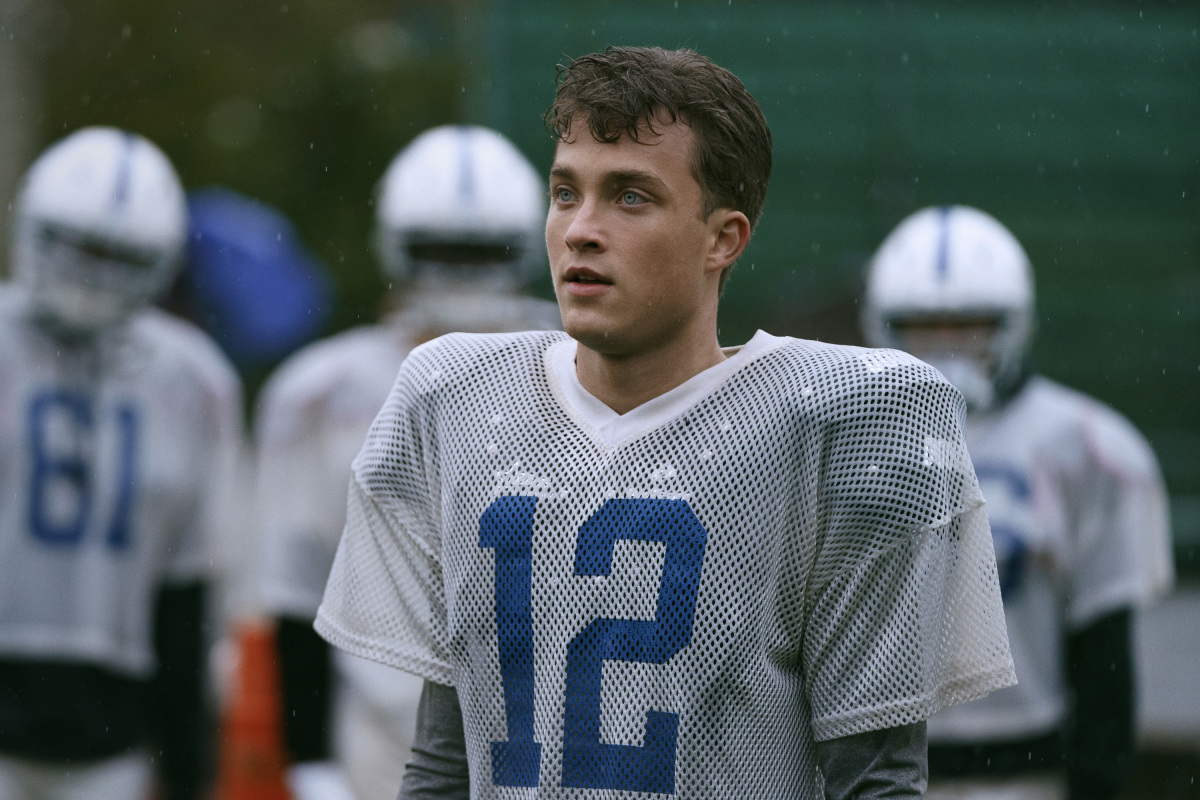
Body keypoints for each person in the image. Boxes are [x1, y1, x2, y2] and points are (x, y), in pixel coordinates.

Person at [315, 47, 1016, 799]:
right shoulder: (458, 395)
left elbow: (874, 780)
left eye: (630, 197)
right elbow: (446, 760)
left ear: (724, 238)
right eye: (565, 193)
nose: (581, 230)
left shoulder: (840, 418)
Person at [256, 124, 560, 800]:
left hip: (555, 728)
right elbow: (295, 589)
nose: (462, 272)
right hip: (381, 735)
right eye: (441, 250)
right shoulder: (322, 390)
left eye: (482, 251)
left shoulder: (583, 361)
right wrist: (311, 760)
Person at [861, 205, 1174, 800]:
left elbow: (1104, 658)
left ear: (1013, 324)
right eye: (924, 326)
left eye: (970, 326)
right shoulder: (840, 435)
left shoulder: (1091, 448)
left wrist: (1096, 782)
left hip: (1027, 772)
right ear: (885, 325)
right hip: (869, 772)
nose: (947, 346)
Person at [0, 127, 244, 799]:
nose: (93, 275)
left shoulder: (192, 377)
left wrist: (187, 763)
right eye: (79, 247)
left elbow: (189, 582)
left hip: (113, 724)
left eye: (119, 256)